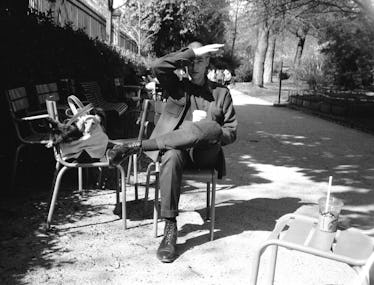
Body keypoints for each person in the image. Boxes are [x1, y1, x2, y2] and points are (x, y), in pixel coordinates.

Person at [107, 42, 238, 263]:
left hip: (205, 155)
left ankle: (136, 147)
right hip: (178, 153)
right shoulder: (178, 88)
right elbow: (158, 66)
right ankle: (170, 228)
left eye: (199, 60)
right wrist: (191, 52)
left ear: (208, 62)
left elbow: (231, 132)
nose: (194, 65)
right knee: (171, 154)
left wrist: (212, 133)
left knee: (211, 127)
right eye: (191, 61)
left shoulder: (221, 93)